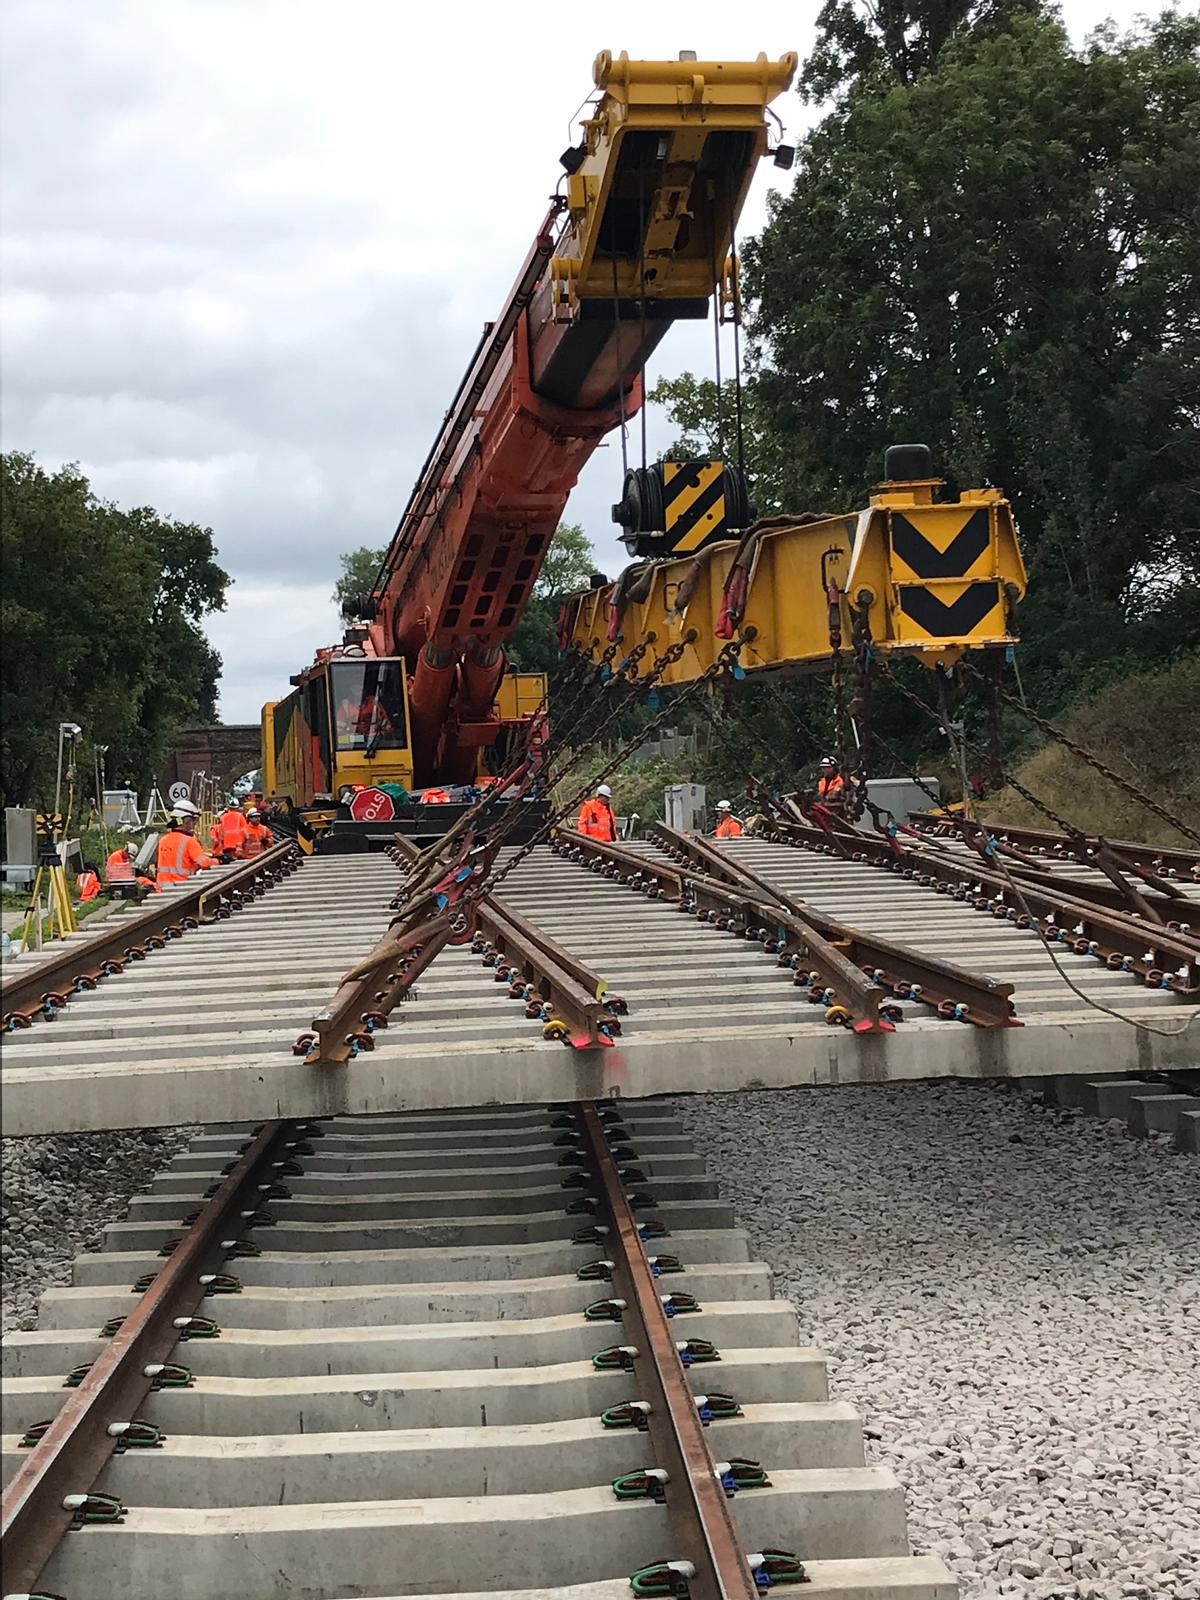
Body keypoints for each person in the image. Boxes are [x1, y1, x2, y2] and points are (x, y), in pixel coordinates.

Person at [157, 801, 217, 885]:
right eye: (194, 821)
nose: (194, 825)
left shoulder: (163, 840)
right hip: (182, 889)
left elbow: (177, 863)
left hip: (162, 891)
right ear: (187, 821)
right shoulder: (189, 841)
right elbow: (205, 863)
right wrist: (217, 861)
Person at [211, 798, 250, 862]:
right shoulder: (240, 816)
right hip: (237, 846)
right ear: (237, 807)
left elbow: (221, 832)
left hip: (226, 845)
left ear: (229, 807)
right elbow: (245, 831)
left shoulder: (223, 817)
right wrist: (247, 840)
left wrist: (222, 843)